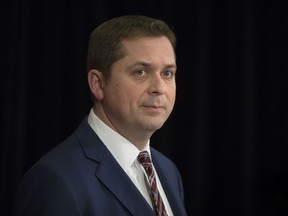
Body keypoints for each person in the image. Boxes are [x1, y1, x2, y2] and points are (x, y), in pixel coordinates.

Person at [12, 15, 187, 216]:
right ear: (98, 84)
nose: (159, 88)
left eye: (167, 73)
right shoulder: (54, 181)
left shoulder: (168, 170)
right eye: (140, 72)